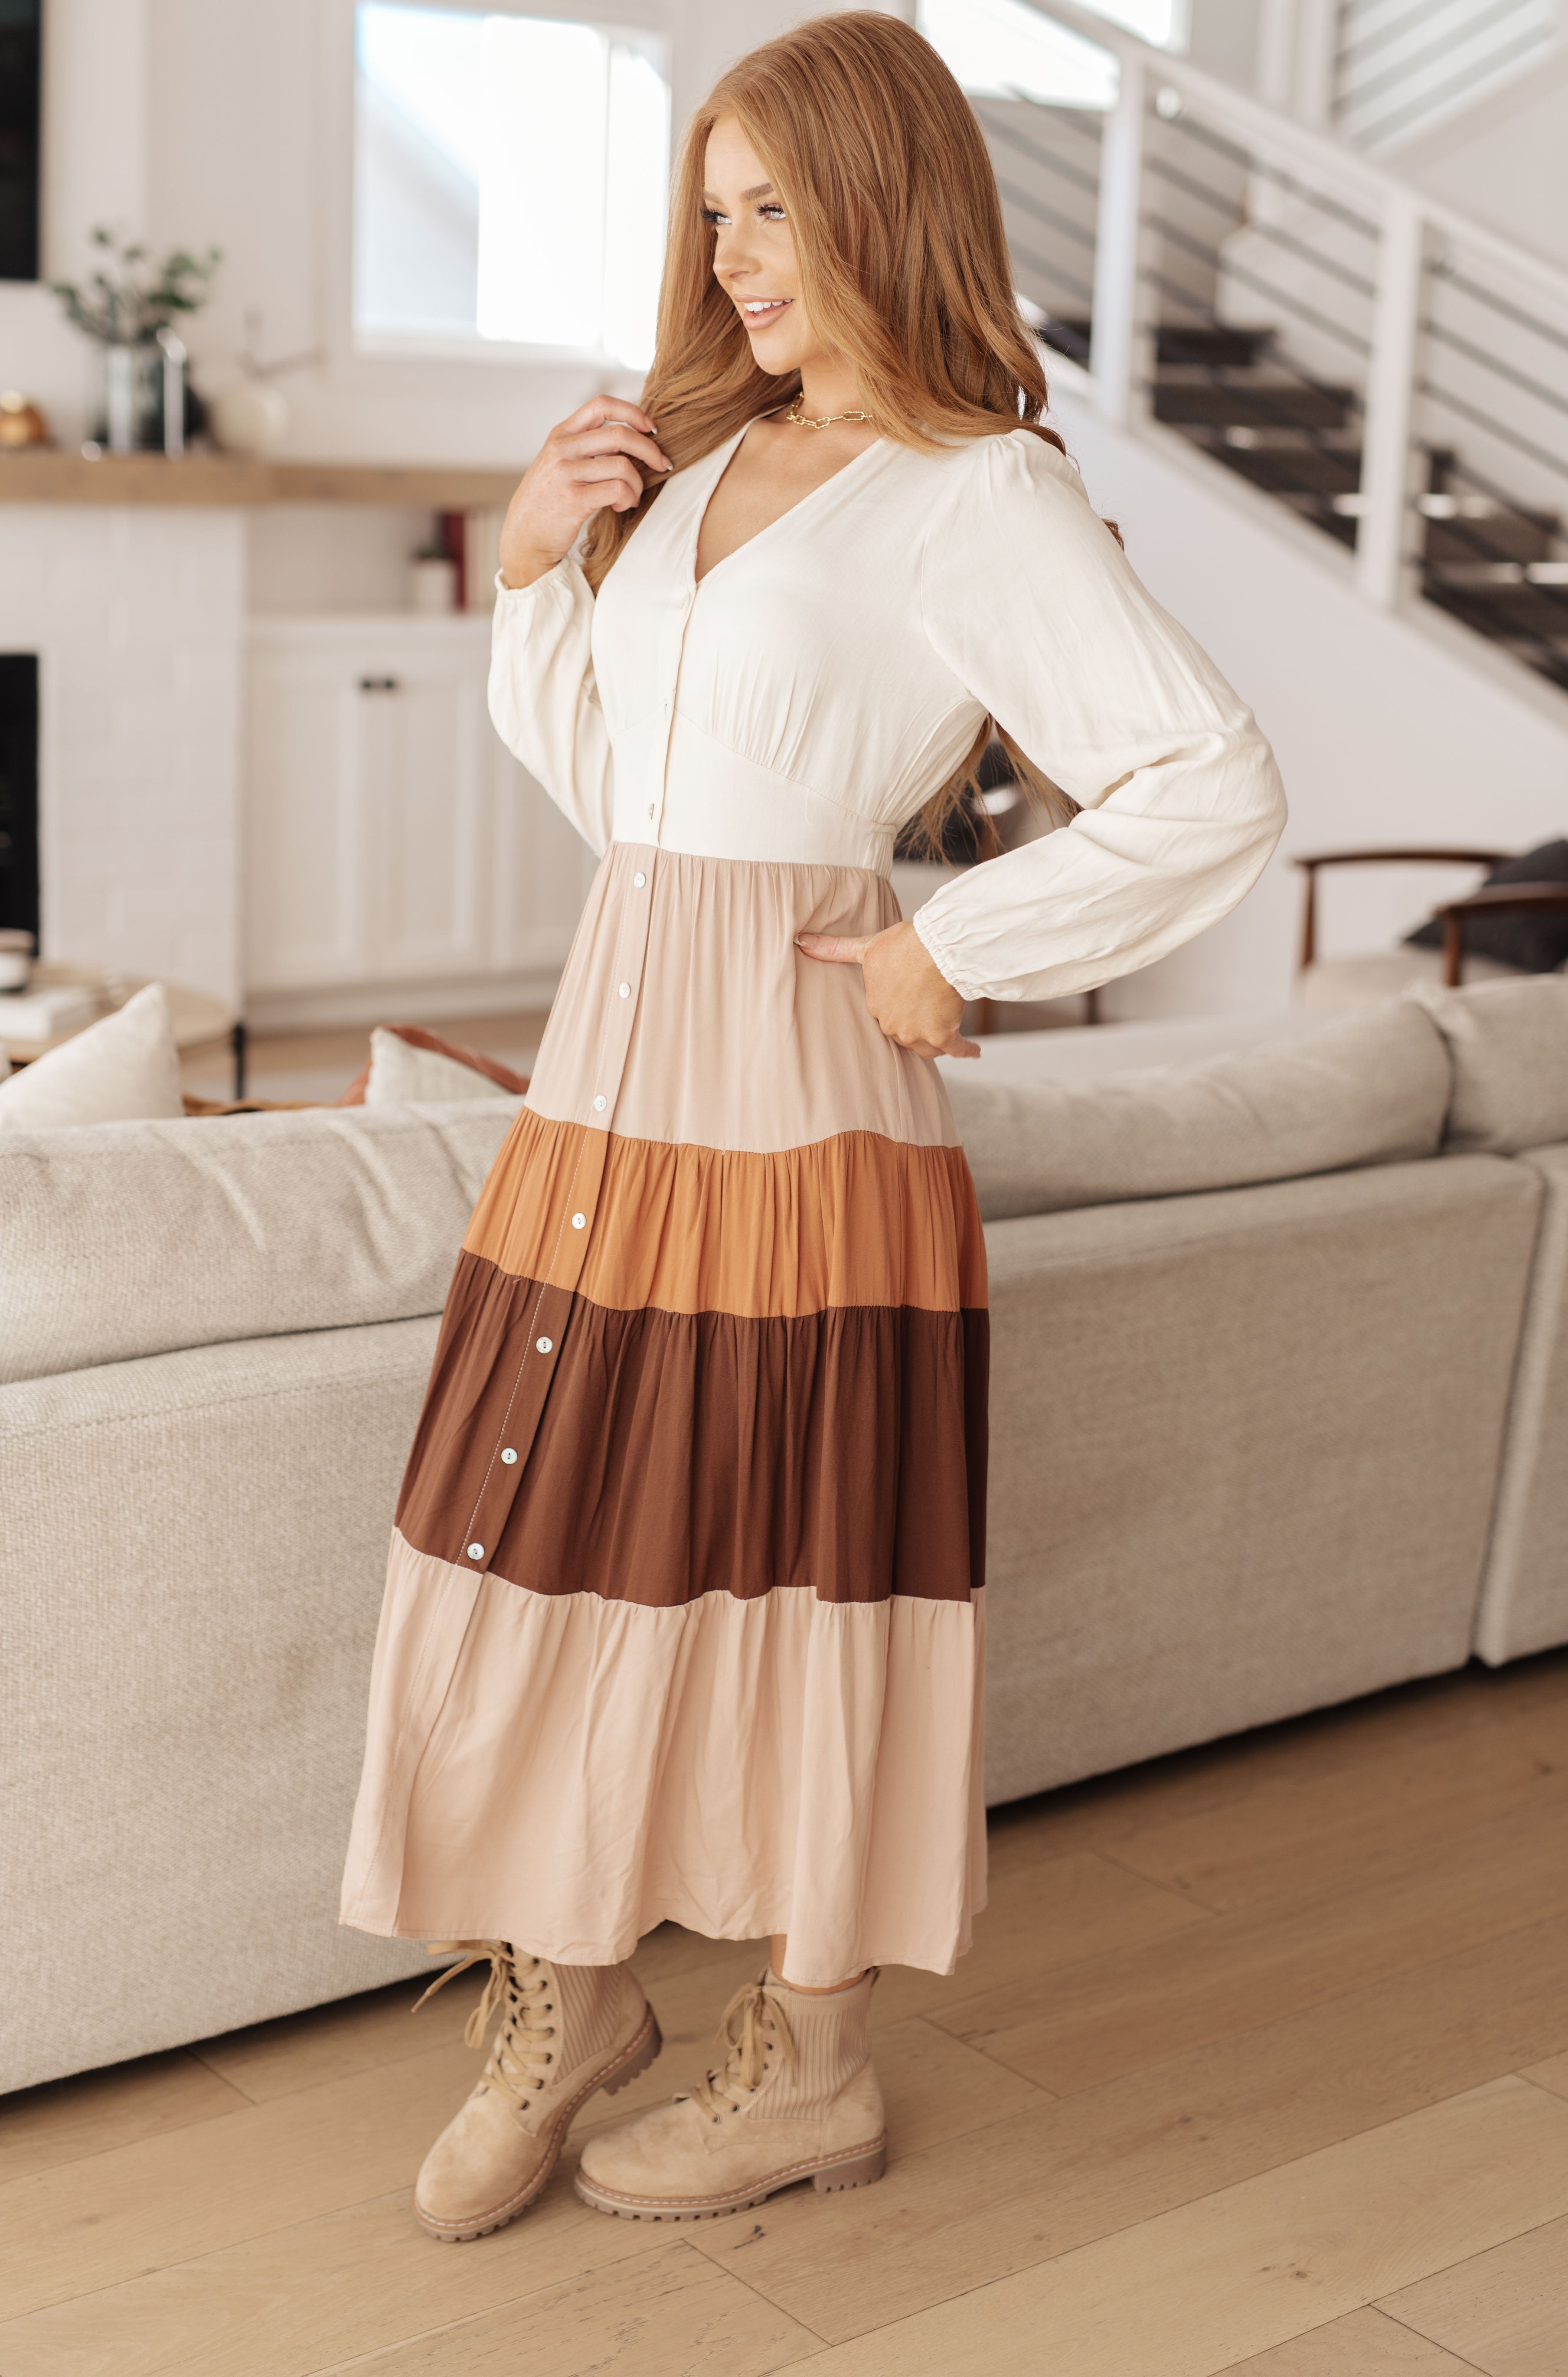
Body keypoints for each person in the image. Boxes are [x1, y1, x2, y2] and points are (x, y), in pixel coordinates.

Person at [342, 9, 1285, 2238]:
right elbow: (620, 791)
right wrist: (541, 563)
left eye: (775, 209)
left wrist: (955, 944)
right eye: (716, 216)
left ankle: (819, 2066)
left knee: (799, 1572)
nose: (738, 258)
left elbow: (1211, 778)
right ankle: (575, 1999)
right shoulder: (697, 456)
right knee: (543, 1532)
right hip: (609, 1080)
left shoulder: (979, 491)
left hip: (799, 1103)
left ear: (883, 199)